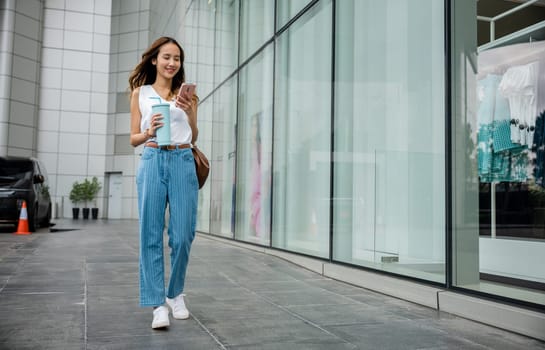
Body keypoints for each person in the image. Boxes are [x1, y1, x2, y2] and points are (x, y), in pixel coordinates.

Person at [128, 37, 199, 329]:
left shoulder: (188, 96)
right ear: (154, 60)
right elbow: (132, 138)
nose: (172, 63)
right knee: (151, 234)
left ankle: (174, 293)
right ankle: (158, 304)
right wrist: (148, 131)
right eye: (167, 57)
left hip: (183, 161)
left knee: (183, 236)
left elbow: (193, 136)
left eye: (177, 59)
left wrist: (191, 112)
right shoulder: (139, 93)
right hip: (153, 158)